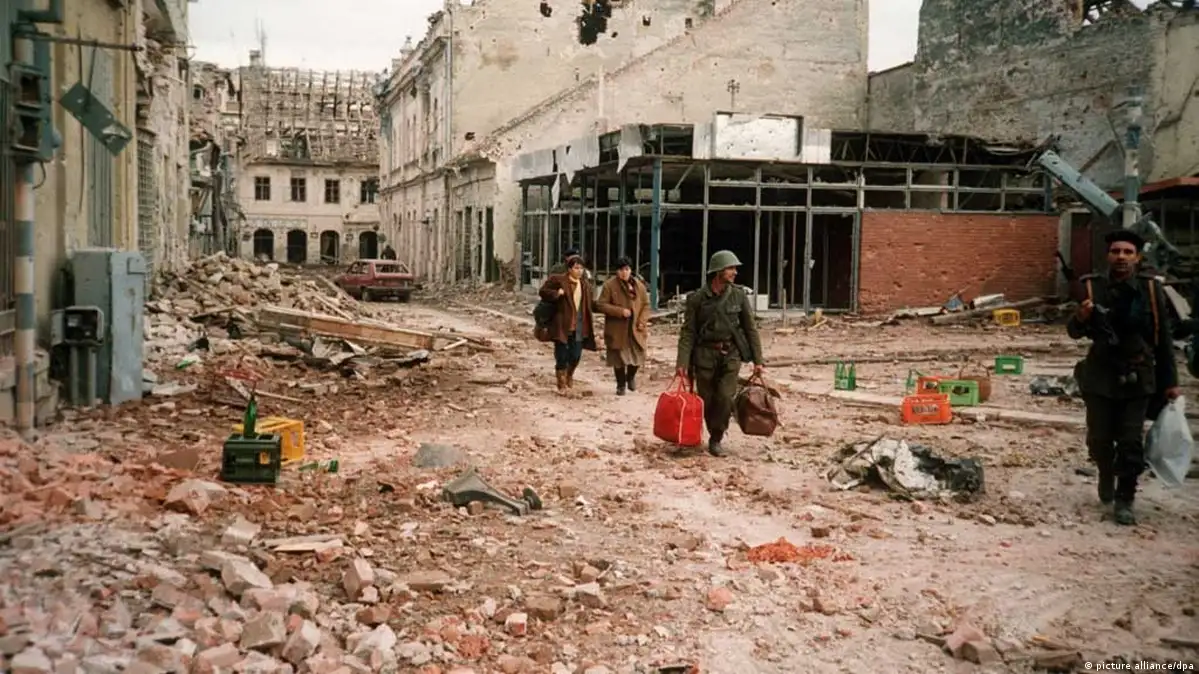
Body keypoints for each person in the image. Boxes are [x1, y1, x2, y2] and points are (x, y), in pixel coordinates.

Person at [1068, 229, 1179, 526]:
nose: (1121, 257)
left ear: (1137, 258)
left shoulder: (1151, 290)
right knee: (1099, 439)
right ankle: (1105, 472)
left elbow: (1164, 340)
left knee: (1130, 441)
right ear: (1108, 256)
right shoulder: (1092, 287)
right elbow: (1074, 332)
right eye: (1116, 251)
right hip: (1100, 375)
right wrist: (1080, 318)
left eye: (1128, 252)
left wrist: (1170, 382)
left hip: (1138, 376)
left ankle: (1125, 499)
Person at [674, 250, 765, 457]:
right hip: (704, 355)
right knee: (707, 399)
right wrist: (682, 363)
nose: (735, 272)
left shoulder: (738, 296)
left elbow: (750, 328)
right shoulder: (697, 299)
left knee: (725, 397)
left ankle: (716, 437)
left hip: (730, 354)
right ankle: (711, 429)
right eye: (730, 268)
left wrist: (758, 360)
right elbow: (688, 332)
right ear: (718, 271)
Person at [538, 254, 598, 393]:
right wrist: (556, 293)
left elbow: (590, 304)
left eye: (581, 268)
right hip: (562, 325)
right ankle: (561, 382)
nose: (579, 271)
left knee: (576, 355)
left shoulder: (585, 285)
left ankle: (569, 374)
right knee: (561, 355)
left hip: (579, 325)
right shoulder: (558, 280)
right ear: (570, 269)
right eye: (576, 268)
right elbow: (543, 292)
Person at [596, 257, 650, 395]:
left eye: (626, 269)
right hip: (617, 328)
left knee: (638, 354)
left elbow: (645, 304)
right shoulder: (609, 285)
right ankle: (620, 385)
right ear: (617, 271)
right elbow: (601, 305)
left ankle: (630, 377)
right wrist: (620, 311)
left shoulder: (639, 285)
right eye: (621, 270)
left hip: (635, 328)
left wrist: (642, 321)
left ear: (631, 270)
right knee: (618, 358)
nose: (624, 273)